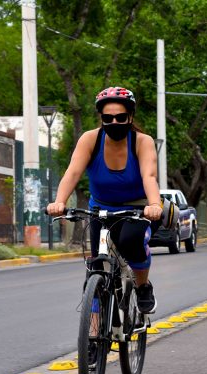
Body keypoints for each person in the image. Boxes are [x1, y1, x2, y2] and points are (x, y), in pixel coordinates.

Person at [46, 86, 162, 314]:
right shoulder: (90, 139)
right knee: (96, 267)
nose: (114, 122)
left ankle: (142, 286)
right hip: (100, 209)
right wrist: (59, 202)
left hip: (136, 209)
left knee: (130, 241)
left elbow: (149, 176)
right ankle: (93, 336)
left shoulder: (142, 141)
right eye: (108, 118)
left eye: (120, 117)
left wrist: (155, 205)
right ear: (101, 118)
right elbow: (72, 173)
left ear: (130, 116)